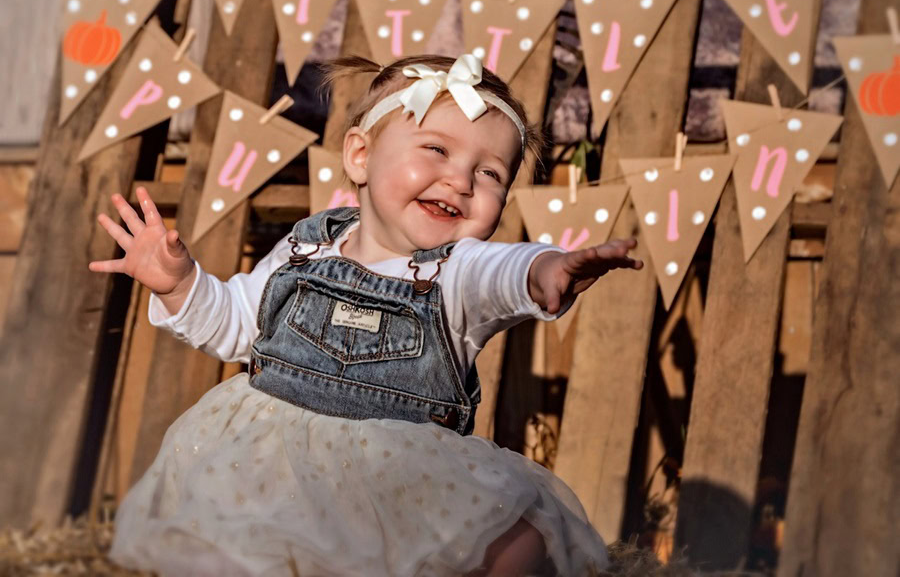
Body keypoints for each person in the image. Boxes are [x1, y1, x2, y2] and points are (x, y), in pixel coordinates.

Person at [90, 53, 643, 576]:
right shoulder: (308, 247)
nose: (461, 180)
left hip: (404, 482)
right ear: (360, 155)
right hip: (272, 470)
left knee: (518, 546)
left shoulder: (455, 271)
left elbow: (502, 270)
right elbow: (239, 323)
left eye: (491, 173)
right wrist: (181, 285)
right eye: (436, 149)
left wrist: (547, 269)